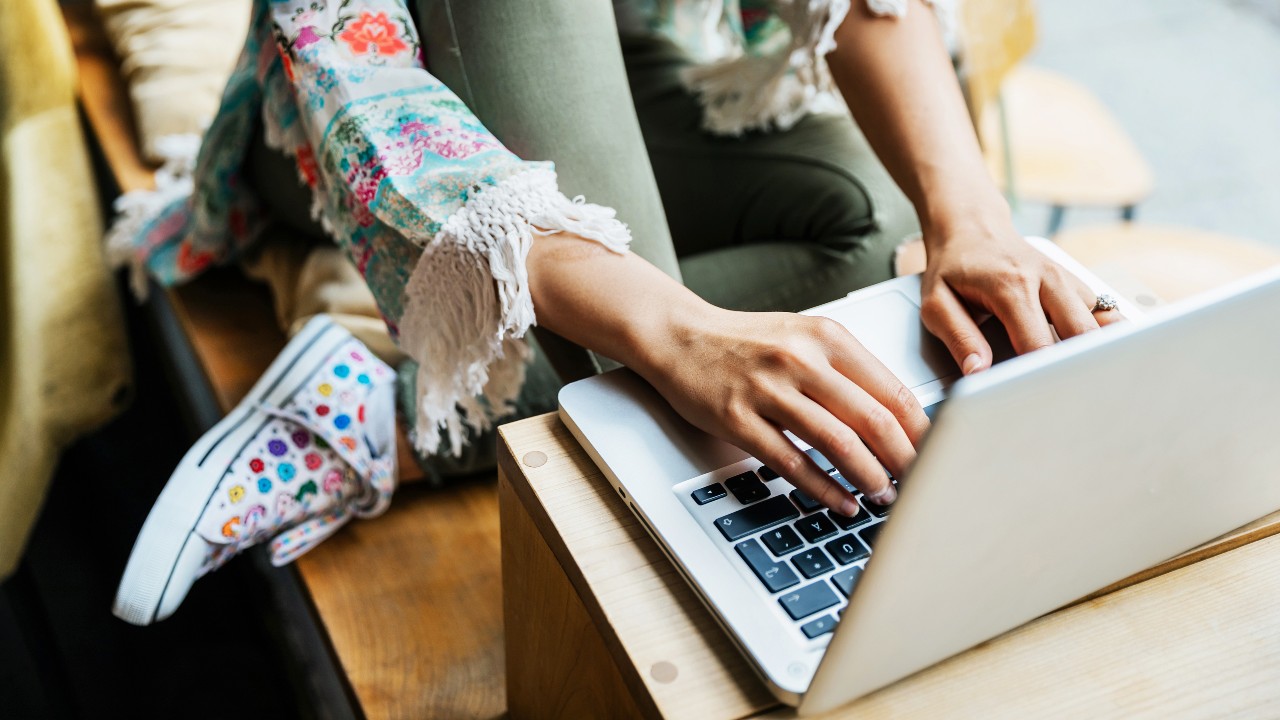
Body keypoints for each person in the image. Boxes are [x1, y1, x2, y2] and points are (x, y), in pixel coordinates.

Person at [110, 0, 1122, 621]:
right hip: (366, 130)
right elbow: (353, 86)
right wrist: (679, 332)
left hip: (633, 62)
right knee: (637, 351)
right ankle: (415, 415)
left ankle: (380, 413)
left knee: (877, 228)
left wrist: (974, 219)